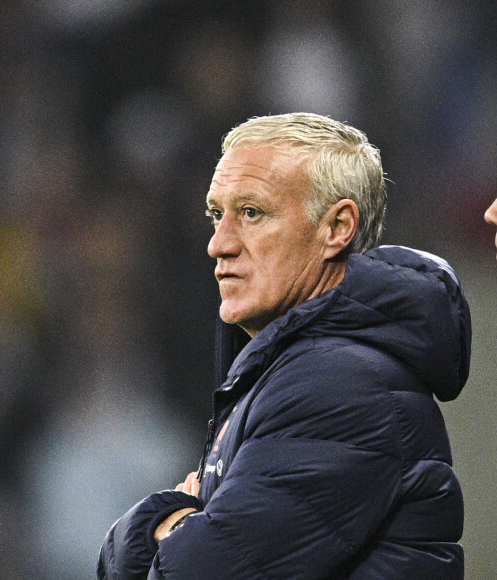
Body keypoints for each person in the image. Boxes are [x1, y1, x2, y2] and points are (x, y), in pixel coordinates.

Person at [98, 113, 471, 579]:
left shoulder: (339, 383)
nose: (218, 243)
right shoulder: (289, 372)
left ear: (337, 228)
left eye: (251, 213)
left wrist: (153, 527)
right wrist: (172, 525)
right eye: (218, 214)